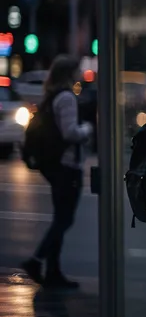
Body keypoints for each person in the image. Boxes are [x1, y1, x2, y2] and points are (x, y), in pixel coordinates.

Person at [19, 56, 90, 289]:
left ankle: (53, 271)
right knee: (64, 219)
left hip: (57, 165)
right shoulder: (67, 97)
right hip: (67, 166)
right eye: (77, 70)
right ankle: (37, 260)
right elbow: (70, 133)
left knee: (61, 217)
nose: (80, 74)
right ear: (69, 73)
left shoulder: (53, 96)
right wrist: (87, 129)